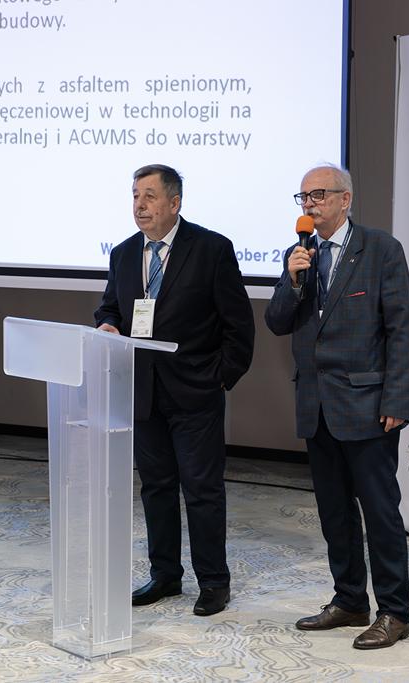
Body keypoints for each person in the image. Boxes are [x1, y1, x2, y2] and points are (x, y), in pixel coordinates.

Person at [264, 164, 409, 649]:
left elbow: (401, 330)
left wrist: (397, 399)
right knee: (334, 513)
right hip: (317, 405)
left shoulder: (381, 249)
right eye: (303, 197)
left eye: (319, 195)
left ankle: (395, 611)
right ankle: (350, 600)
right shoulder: (299, 254)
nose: (309, 204)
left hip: (369, 406)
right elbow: (277, 322)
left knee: (380, 513)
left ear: (345, 199)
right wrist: (293, 281)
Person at [95, 163, 254, 616]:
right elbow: (110, 307)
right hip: (143, 392)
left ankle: (214, 581)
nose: (139, 205)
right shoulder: (124, 253)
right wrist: (107, 324)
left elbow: (238, 325)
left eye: (149, 196)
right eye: (134, 196)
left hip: (196, 393)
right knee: (156, 488)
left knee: (202, 490)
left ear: (174, 202)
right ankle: (164, 574)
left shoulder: (211, 249)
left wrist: (220, 377)